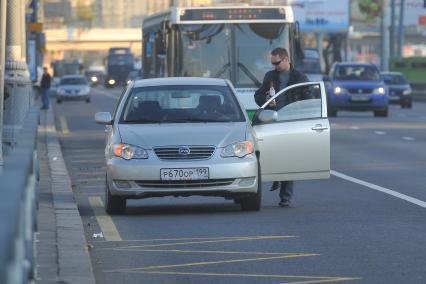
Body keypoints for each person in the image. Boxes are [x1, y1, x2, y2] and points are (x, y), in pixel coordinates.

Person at [254, 47, 308, 207]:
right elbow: (258, 95)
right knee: (269, 154)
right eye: (272, 63)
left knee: (288, 158)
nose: (274, 66)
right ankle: (278, 176)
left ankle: (286, 197)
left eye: (277, 63)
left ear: (286, 60)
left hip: (291, 122)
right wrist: (266, 100)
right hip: (272, 121)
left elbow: (309, 100)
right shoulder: (270, 76)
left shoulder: (300, 77)